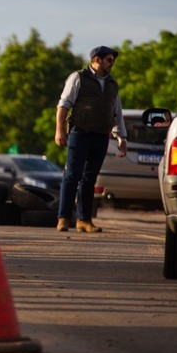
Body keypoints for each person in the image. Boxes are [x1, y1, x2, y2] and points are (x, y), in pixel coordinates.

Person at [54, 45, 128, 233]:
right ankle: (63, 218)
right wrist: (59, 131)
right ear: (97, 60)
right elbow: (63, 105)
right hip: (80, 133)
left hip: (101, 136)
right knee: (72, 175)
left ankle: (84, 220)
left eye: (113, 60)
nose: (112, 64)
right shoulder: (78, 77)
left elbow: (116, 112)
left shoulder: (112, 83)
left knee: (90, 179)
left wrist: (121, 137)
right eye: (109, 60)